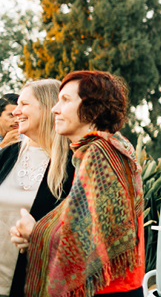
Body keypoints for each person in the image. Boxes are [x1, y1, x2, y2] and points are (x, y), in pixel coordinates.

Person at [10, 71, 144, 297]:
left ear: (92, 107)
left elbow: (90, 239)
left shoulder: (100, 155)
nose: (55, 108)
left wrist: (36, 233)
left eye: (66, 100)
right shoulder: (99, 150)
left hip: (107, 291)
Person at [0, 81, 72, 297]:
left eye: (24, 104)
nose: (16, 111)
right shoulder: (7, 155)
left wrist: (39, 236)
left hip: (31, 286)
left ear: (49, 107)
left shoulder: (72, 165)